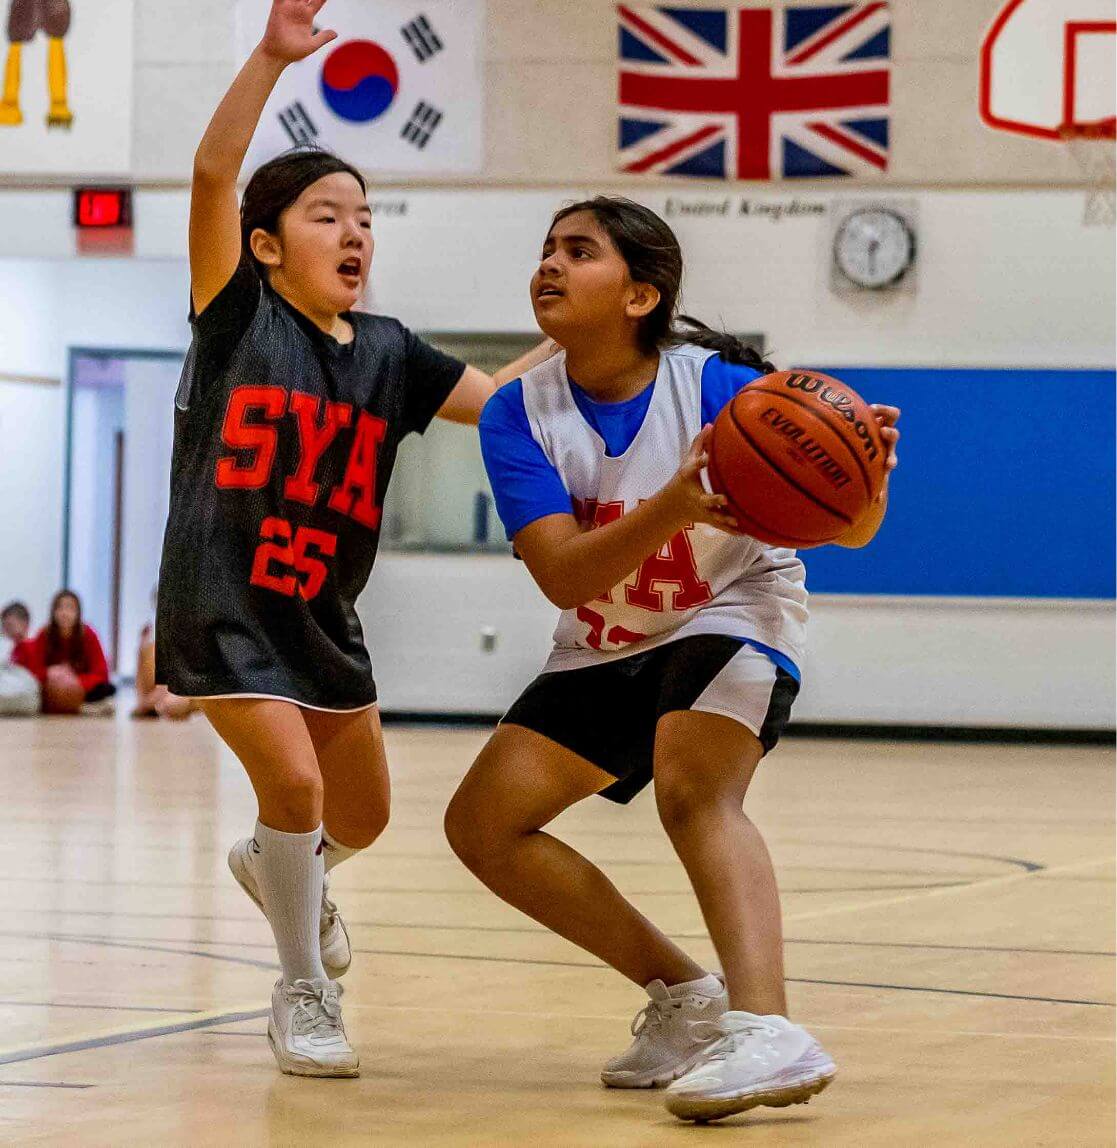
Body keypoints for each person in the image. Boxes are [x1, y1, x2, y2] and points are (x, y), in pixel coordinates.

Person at [155, 0, 554, 1079]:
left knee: (360, 818)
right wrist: (271, 57)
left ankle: (279, 865)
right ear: (266, 243)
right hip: (222, 600)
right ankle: (303, 989)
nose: (355, 232)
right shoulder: (238, 317)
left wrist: (576, 335)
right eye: (328, 214)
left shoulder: (389, 351)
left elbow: (503, 405)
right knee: (293, 789)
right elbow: (207, 178)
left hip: (321, 615)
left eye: (366, 216)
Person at [444, 197, 901, 1124]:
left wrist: (865, 481)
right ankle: (686, 997)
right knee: (483, 828)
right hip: (604, 636)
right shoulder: (515, 415)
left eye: (579, 252)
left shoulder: (722, 386)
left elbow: (853, 533)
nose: (550, 265)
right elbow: (563, 578)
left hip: (733, 606)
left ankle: (768, 1027)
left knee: (694, 791)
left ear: (640, 294)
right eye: (546, 249)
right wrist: (672, 506)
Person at [15, 590, 117, 715]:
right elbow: (34, 671)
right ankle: (83, 708)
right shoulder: (44, 634)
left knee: (107, 688)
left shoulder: (88, 634)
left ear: (78, 612)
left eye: (70, 608)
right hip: (53, 686)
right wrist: (50, 672)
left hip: (79, 686)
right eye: (60, 608)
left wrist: (75, 680)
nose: (65, 613)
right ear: (53, 612)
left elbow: (101, 673)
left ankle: (80, 706)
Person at [0, 601, 39, 716]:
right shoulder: (15, 649)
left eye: (10, 625)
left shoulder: (31, 647)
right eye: (4, 626)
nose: (6, 630)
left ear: (25, 623)